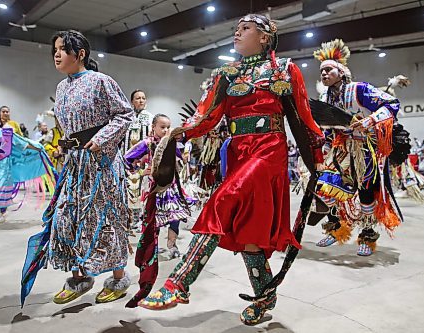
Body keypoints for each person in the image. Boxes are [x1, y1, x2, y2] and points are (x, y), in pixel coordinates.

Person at [131, 14, 324, 326]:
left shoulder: (285, 69)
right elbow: (206, 116)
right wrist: (179, 133)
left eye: (245, 28)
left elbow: (303, 118)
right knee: (249, 233)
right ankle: (264, 296)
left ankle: (178, 283)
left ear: (264, 37)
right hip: (236, 152)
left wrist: (318, 159)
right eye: (236, 28)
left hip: (269, 151)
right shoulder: (225, 73)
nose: (237, 32)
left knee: (222, 201)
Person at [39, 30, 133, 304]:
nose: (56, 54)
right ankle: (80, 278)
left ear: (80, 54)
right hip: (74, 165)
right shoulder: (61, 87)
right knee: (68, 219)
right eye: (54, 49)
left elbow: (124, 115)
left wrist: (101, 139)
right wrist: (62, 146)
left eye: (62, 49)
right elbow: (66, 127)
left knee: (104, 220)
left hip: (101, 164)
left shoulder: (101, 82)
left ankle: (118, 278)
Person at [313, 39, 403, 256]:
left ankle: (367, 235)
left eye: (328, 70)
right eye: (322, 71)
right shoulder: (325, 97)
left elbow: (392, 104)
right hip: (338, 150)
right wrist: (323, 146)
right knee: (324, 189)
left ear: (341, 72)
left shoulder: (359, 90)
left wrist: (370, 121)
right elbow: (328, 127)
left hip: (364, 150)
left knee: (365, 193)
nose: (324, 74)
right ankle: (336, 230)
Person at [125, 113, 195, 258]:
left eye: (168, 127)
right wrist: (140, 171)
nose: (165, 130)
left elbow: (179, 160)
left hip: (172, 185)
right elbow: (127, 158)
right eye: (162, 127)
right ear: (153, 127)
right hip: (154, 186)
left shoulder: (171, 143)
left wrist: (183, 160)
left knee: (175, 216)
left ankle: (172, 243)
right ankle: (152, 247)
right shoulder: (147, 143)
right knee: (153, 218)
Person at [0, 110, 55, 222]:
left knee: (3, 188)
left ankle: (2, 212)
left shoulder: (6, 133)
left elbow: (21, 142)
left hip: (5, 167)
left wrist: (37, 148)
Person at [124, 90, 154, 228]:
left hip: (144, 161)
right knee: (129, 188)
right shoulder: (126, 118)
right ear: (132, 102)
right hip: (128, 160)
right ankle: (130, 218)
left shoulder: (151, 118)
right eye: (137, 98)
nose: (141, 100)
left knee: (143, 187)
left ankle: (142, 218)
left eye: (143, 98)